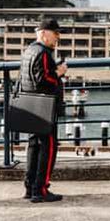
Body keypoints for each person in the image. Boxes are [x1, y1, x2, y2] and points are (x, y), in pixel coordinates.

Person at [21, 17, 68, 203]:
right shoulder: (43, 53)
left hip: (30, 105)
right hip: (44, 107)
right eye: (55, 33)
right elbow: (43, 80)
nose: (58, 37)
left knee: (33, 146)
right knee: (48, 148)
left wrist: (53, 70)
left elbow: (30, 78)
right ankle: (40, 189)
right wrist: (59, 73)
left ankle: (30, 186)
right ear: (43, 33)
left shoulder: (29, 50)